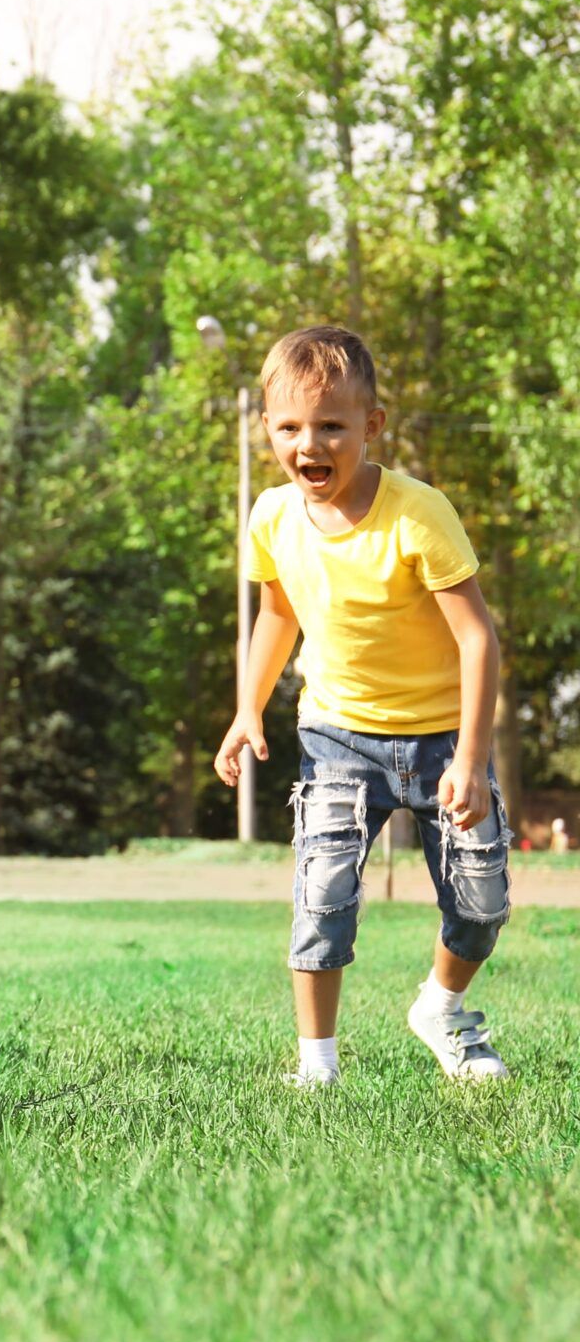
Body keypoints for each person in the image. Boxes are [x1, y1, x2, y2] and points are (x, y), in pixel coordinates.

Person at [215, 325, 511, 1087]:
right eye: (288, 427)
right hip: (336, 736)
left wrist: (473, 761)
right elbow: (278, 616)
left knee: (481, 905)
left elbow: (478, 640)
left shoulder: (419, 514)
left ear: (371, 426)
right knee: (322, 893)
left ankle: (440, 1008)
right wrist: (249, 708)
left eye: (331, 426)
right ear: (268, 430)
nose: (308, 442)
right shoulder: (273, 517)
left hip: (444, 737)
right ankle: (317, 1067)